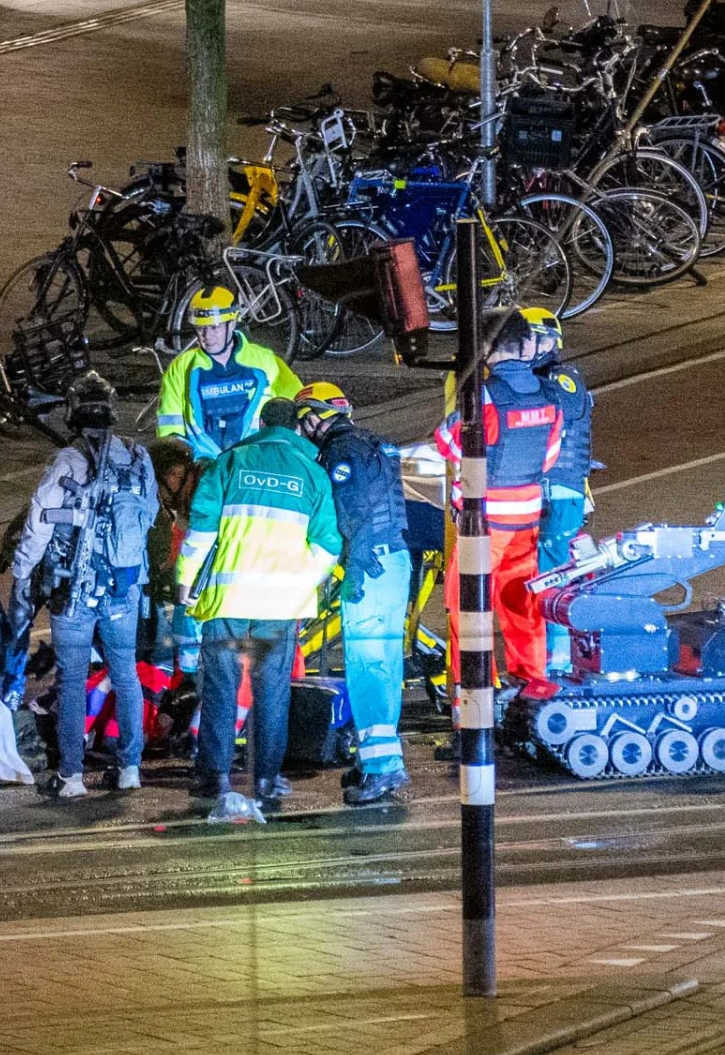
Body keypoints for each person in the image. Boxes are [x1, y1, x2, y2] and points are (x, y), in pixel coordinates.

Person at [177, 396, 341, 824]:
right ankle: (266, 778)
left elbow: (201, 531)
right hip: (280, 606)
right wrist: (300, 585)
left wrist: (184, 581)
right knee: (272, 694)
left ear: (262, 422)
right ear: (295, 428)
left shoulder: (230, 464)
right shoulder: (313, 473)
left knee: (221, 689)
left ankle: (214, 775)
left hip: (228, 600)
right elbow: (328, 546)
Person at [6, 371, 160, 797]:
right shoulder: (137, 456)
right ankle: (130, 769)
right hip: (124, 589)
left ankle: (71, 777)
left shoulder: (67, 460)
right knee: (125, 674)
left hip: (73, 592)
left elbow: (39, 520)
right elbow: (148, 515)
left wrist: (21, 572)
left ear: (73, 414)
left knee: (72, 679)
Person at [429, 323, 569, 698]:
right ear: (526, 346)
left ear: (485, 350)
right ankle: (533, 685)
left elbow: (448, 443)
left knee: (468, 610)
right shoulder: (550, 395)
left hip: (484, 526)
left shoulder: (485, 397)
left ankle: (476, 694)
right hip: (526, 522)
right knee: (522, 606)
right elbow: (551, 455)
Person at [300, 383, 411, 807]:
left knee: (368, 668)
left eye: (304, 420)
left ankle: (382, 770)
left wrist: (356, 568)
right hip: (393, 559)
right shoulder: (371, 443)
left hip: (372, 564)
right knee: (383, 664)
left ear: (316, 416)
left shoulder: (341, 452)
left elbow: (353, 510)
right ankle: (376, 759)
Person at [155, 284, 295, 464]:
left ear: (233, 323)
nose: (207, 336)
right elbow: (169, 428)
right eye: (200, 328)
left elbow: (298, 400)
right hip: (203, 467)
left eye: (215, 328)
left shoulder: (265, 360)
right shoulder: (181, 367)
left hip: (254, 462)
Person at [525, 309, 599, 578]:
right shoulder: (534, 379)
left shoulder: (561, 379)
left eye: (527, 339)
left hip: (559, 489)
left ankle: (561, 621)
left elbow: (544, 420)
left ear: (547, 342)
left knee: (551, 575)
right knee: (545, 568)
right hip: (546, 490)